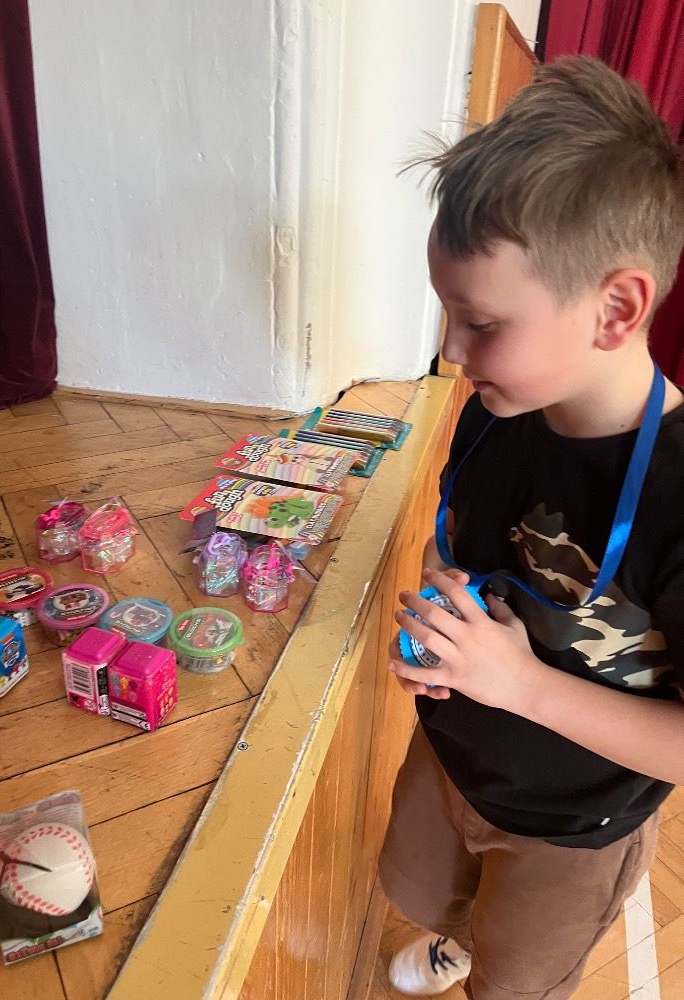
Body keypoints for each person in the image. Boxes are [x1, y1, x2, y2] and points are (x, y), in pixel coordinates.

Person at [379, 56, 684, 1000]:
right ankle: (463, 940)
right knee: (430, 894)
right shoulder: (499, 408)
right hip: (454, 757)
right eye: (447, 315)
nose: (449, 351)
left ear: (615, 309)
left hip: (572, 827)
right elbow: (457, 537)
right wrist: (443, 596)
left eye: (479, 322)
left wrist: (521, 684)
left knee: (519, 979)